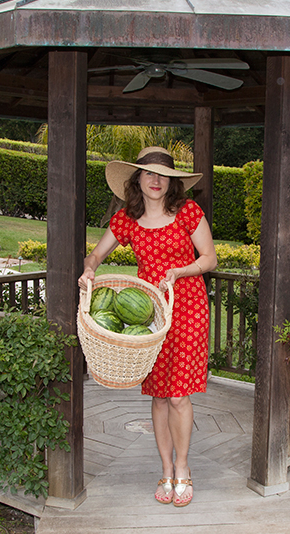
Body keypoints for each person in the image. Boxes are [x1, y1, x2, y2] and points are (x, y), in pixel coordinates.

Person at [78, 146, 217, 508]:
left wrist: (181, 270)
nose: (155, 180)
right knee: (158, 395)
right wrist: (90, 267)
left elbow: (209, 258)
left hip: (188, 308)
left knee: (178, 394)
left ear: (171, 181)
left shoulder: (187, 212)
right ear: (137, 178)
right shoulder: (127, 219)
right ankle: (166, 469)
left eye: (162, 175)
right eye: (148, 173)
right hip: (150, 315)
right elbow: (97, 253)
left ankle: (183, 468)